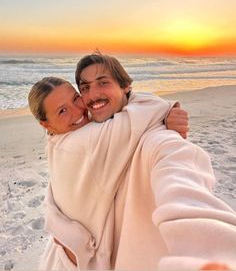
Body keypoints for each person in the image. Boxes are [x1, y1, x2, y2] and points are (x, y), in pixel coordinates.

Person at [28, 54, 236, 270]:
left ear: (126, 85)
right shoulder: (86, 141)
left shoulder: (57, 143)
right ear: (46, 124)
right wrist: (166, 111)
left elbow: (182, 190)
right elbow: (139, 115)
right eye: (62, 111)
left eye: (76, 98)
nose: (79, 109)